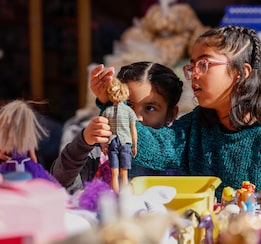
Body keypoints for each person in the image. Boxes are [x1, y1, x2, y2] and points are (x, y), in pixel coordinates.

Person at [90, 25, 261, 201]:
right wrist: (111, 104)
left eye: (204, 64)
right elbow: (153, 145)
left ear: (241, 74)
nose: (194, 74)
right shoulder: (194, 126)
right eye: (192, 65)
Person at [50, 62, 183, 193]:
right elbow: (60, 184)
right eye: (129, 105)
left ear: (171, 115)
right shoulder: (101, 151)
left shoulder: (177, 157)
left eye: (150, 108)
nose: (137, 117)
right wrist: (83, 142)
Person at [101, 77, 138, 192]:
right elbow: (133, 130)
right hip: (125, 142)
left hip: (112, 142)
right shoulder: (129, 111)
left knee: (114, 173)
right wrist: (135, 145)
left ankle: (116, 196)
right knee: (124, 173)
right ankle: (124, 197)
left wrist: (104, 146)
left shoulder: (107, 111)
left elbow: (104, 130)